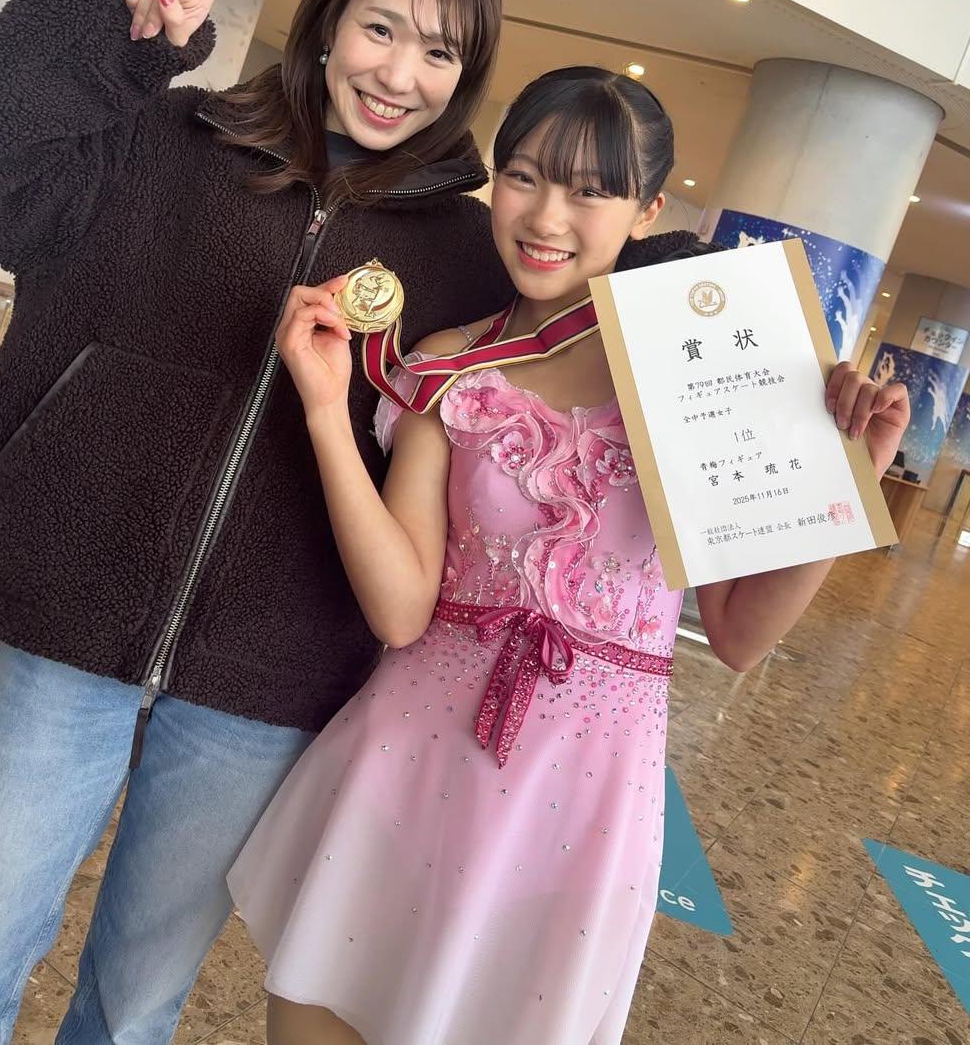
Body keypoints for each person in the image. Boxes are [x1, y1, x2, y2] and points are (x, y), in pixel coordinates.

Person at [0, 0, 512, 1043]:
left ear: (466, 78)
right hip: (72, 613)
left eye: (440, 52)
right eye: (381, 28)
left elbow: (596, 333)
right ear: (328, 21)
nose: (399, 75)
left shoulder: (469, 261)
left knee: (134, 1008)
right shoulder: (164, 138)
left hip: (268, 676)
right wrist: (111, 37)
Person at [227, 66, 911, 1045]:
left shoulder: (704, 379)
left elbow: (739, 634)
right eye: (525, 176)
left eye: (591, 190)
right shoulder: (452, 361)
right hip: (408, 767)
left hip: (580, 807)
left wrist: (844, 482)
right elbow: (400, 609)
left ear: (648, 210)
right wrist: (329, 411)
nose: (547, 216)